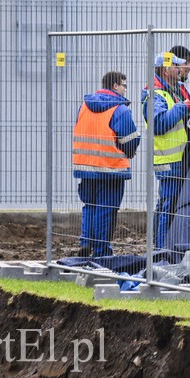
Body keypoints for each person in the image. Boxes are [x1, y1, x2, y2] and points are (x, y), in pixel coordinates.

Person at [72, 71, 140, 257]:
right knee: (106, 209)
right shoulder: (120, 109)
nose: (125, 90)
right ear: (116, 86)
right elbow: (130, 140)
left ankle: (86, 243)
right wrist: (129, 150)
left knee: (89, 206)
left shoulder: (84, 106)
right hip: (111, 168)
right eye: (124, 86)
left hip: (85, 167)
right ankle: (102, 251)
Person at [141, 47, 190, 249]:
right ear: (166, 70)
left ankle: (161, 246)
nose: (181, 69)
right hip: (168, 159)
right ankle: (163, 249)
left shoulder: (176, 89)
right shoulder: (154, 94)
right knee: (169, 205)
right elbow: (159, 124)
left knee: (168, 203)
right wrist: (183, 107)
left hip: (179, 158)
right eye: (176, 65)